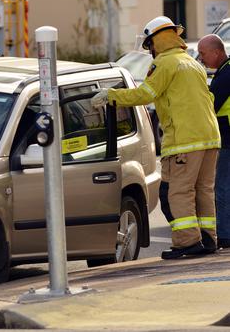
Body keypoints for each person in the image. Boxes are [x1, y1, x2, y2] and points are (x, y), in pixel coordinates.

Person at [91, 16, 221, 259]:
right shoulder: (192, 63)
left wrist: (111, 96)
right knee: (204, 190)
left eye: (150, 44)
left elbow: (144, 94)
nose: (149, 50)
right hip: (210, 138)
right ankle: (207, 238)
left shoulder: (164, 64)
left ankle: (187, 243)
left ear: (157, 41)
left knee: (179, 192)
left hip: (185, 140)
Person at [197, 34, 230, 249]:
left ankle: (226, 235)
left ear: (217, 52)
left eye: (202, 54)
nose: (200, 59)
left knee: (222, 188)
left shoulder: (226, 74)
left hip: (228, 139)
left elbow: (210, 104)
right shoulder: (224, 71)